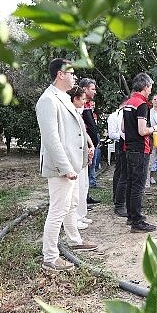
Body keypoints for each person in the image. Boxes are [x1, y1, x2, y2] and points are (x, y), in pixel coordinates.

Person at [36, 58, 97, 272]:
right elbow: (51, 138)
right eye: (71, 73)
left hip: (73, 163)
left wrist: (87, 148)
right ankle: (50, 258)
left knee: (71, 205)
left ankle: (74, 240)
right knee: (58, 210)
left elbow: (77, 128)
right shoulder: (48, 100)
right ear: (60, 74)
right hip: (62, 167)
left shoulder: (63, 97)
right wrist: (66, 168)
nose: (74, 77)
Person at [122, 72, 157, 232]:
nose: (150, 90)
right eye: (150, 87)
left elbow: (123, 127)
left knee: (131, 183)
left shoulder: (129, 102)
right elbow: (142, 130)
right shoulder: (142, 104)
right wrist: (154, 129)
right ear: (145, 86)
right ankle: (137, 221)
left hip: (129, 148)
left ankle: (131, 216)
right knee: (138, 186)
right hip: (140, 149)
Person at [67, 87, 96, 230]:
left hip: (83, 154)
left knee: (84, 185)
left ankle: (82, 214)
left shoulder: (79, 114)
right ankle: (75, 218)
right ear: (75, 99)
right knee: (76, 188)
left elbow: (84, 133)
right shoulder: (69, 114)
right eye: (83, 99)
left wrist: (91, 145)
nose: (85, 102)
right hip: (75, 156)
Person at [79, 78, 102, 204]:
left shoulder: (89, 105)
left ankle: (86, 196)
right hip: (84, 144)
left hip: (91, 144)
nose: (95, 92)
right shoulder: (79, 105)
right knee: (83, 172)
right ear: (84, 89)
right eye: (92, 89)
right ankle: (82, 199)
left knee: (89, 169)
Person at [108, 97, 127, 204]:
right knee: (119, 171)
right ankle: (116, 195)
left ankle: (122, 194)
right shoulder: (113, 116)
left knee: (124, 171)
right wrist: (124, 136)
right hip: (120, 144)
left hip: (127, 144)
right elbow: (111, 134)